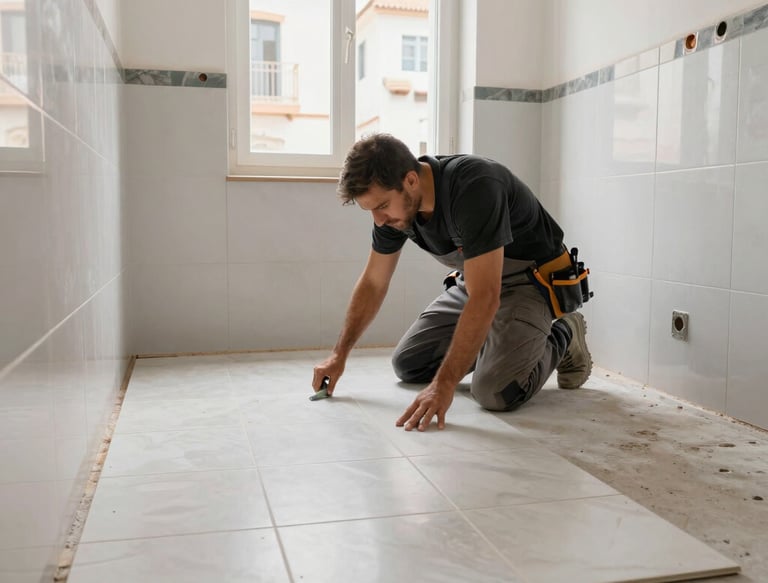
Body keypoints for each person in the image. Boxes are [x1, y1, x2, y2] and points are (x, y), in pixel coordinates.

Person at [312, 133, 592, 431]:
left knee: (495, 392)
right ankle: (500, 338)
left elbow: (486, 296)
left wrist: (443, 385)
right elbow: (374, 282)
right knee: (409, 364)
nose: (379, 220)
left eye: (382, 206)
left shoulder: (475, 186)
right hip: (476, 281)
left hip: (530, 283)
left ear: (410, 180)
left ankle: (565, 334)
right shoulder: (395, 213)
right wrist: (338, 355)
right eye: (371, 211)